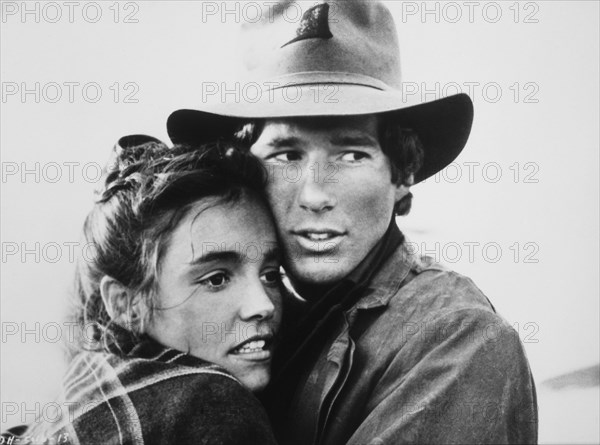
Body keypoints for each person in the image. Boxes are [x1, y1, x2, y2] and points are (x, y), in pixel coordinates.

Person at [166, 1, 538, 444]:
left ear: (401, 174)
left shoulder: (458, 339)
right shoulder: (255, 314)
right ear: (246, 172)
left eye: (350, 154)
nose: (315, 195)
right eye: (287, 155)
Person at [1, 136, 280, 444]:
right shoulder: (213, 404)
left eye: (271, 274)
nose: (263, 304)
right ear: (126, 304)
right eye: (216, 279)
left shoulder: (84, 381)